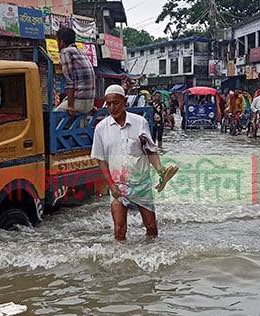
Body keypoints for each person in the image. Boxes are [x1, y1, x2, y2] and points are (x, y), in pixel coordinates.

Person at [91, 84, 177, 241]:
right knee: (119, 229)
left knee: (151, 227)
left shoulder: (140, 123)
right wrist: (111, 185)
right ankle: (120, 261)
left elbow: (149, 149)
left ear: (125, 101)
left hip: (141, 183)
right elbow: (101, 160)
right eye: (108, 103)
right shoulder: (101, 128)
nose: (112, 107)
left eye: (116, 103)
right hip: (118, 185)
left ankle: (151, 254)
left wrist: (159, 170)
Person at [54, 27, 96, 125]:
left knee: (53, 118)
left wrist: (71, 106)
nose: (57, 45)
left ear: (62, 42)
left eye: (57, 41)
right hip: (89, 103)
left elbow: (70, 82)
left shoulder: (65, 52)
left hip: (80, 103)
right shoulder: (81, 52)